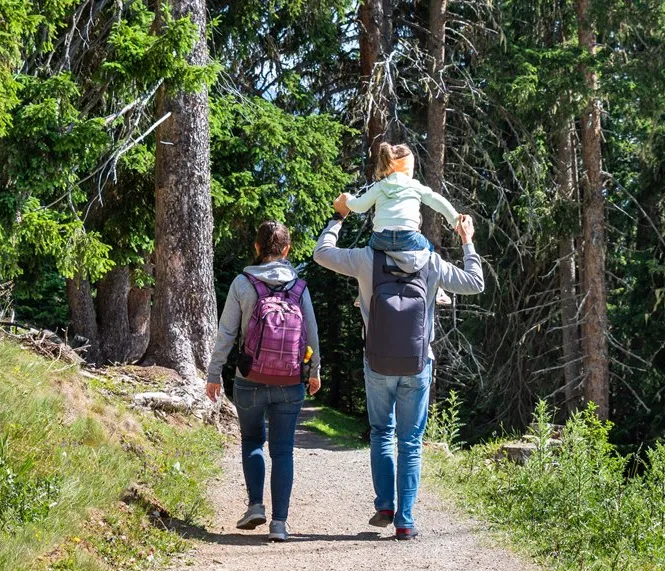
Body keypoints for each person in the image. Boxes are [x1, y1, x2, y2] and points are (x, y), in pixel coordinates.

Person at [313, 197, 483, 540]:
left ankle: (384, 506)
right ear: (416, 226)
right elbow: (475, 283)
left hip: (376, 361)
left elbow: (322, 253)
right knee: (410, 441)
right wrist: (467, 240)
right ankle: (405, 521)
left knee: (381, 432)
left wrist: (339, 216)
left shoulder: (364, 258)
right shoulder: (432, 262)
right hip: (418, 363)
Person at [206, 221, 322, 542]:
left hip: (249, 378)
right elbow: (311, 333)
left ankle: (256, 505)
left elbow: (226, 333)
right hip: (290, 381)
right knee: (283, 451)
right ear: (286, 250)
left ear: (256, 248)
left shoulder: (243, 284)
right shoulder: (299, 287)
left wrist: (215, 374)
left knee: (252, 440)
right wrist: (314, 371)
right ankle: (280, 525)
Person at [338, 142, 459, 305]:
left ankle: (363, 294)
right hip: (409, 237)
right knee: (429, 252)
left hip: (381, 238)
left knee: (368, 258)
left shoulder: (379, 186)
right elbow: (437, 201)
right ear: (407, 168)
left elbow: (359, 207)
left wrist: (348, 199)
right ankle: (438, 291)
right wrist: (455, 219)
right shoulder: (414, 185)